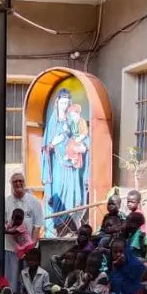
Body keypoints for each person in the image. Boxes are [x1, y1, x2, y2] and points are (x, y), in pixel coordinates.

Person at [41, 88, 89, 235]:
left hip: (72, 167)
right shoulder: (53, 123)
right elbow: (45, 147)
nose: (64, 105)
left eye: (67, 102)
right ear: (57, 103)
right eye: (62, 102)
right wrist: (53, 143)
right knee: (57, 196)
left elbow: (81, 136)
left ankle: (71, 230)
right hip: (58, 166)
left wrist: (84, 146)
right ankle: (56, 230)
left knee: (73, 196)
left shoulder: (72, 119)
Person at [4, 173, 44, 289]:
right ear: (11, 184)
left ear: (24, 182)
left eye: (20, 181)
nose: (18, 183)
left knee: (28, 280)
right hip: (10, 248)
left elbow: (37, 225)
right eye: (15, 181)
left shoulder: (34, 201)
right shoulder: (6, 202)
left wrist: (31, 246)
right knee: (12, 279)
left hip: (28, 249)